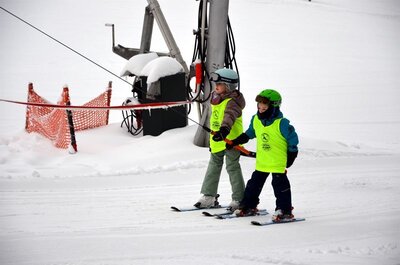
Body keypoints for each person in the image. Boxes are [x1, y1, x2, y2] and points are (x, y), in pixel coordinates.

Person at [228, 89, 299, 221]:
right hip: (262, 161)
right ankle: (249, 206)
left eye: (264, 108)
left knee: (280, 186)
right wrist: (235, 142)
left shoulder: (282, 123)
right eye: (259, 107)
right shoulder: (256, 119)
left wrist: (292, 154)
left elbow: (293, 139)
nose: (260, 110)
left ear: (274, 107)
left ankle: (284, 210)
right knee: (253, 185)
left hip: (277, 162)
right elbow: (249, 133)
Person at [194, 68, 246, 211]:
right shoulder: (215, 97)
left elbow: (229, 116)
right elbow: (215, 118)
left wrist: (224, 130)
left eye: (220, 84)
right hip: (217, 139)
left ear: (229, 86)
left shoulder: (233, 101)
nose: (216, 86)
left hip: (230, 140)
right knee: (213, 166)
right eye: (216, 83)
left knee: (232, 167)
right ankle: (208, 196)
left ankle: (239, 198)